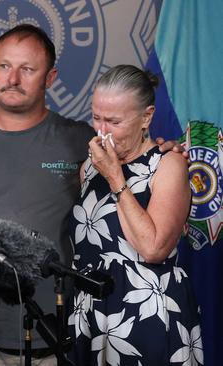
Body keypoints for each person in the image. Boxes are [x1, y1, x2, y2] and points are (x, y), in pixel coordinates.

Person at [0, 25, 185, 366]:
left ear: (50, 78)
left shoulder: (87, 142)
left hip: (66, 333)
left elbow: (138, 161)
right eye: (4, 66)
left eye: (28, 69)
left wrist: (164, 151)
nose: (13, 78)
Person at [68, 65, 201, 365]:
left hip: (147, 314)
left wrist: (117, 178)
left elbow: (153, 248)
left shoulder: (168, 165)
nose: (102, 131)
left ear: (147, 117)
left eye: (114, 121)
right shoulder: (89, 169)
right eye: (97, 117)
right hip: (93, 315)